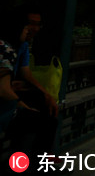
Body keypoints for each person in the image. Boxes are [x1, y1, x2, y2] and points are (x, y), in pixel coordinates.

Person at [0, 8, 59, 155]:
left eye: (36, 25)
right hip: (5, 105)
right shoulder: (6, 49)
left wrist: (46, 94)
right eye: (27, 26)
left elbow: (25, 73)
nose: (30, 31)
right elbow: (3, 89)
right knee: (37, 121)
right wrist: (21, 105)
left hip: (8, 98)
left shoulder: (20, 46)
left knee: (44, 110)